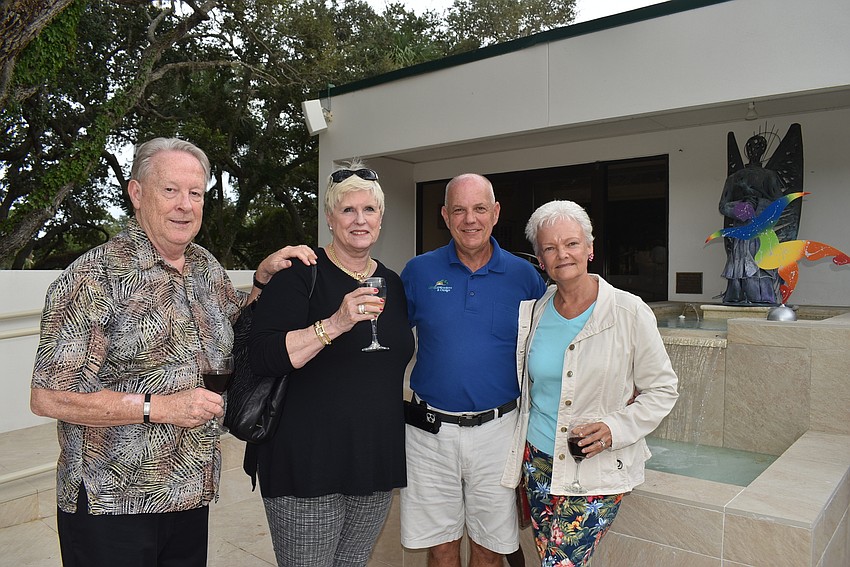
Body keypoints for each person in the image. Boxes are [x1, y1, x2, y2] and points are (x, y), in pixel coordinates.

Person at [29, 137, 316, 567]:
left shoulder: (204, 265)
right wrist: (160, 407)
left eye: (195, 193)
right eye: (170, 190)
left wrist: (260, 281)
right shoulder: (93, 276)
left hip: (187, 492)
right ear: (137, 193)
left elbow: (233, 331)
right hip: (113, 503)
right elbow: (49, 396)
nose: (185, 204)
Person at [248, 162, 415, 566]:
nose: (360, 220)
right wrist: (336, 324)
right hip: (307, 463)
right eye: (348, 210)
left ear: (381, 218)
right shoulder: (301, 275)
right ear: (329, 218)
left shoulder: (392, 281)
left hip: (373, 459)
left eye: (369, 210)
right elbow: (263, 355)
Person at [501, 200, 679, 565]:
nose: (562, 254)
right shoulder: (534, 311)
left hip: (595, 466)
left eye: (571, 243)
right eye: (550, 247)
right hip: (538, 463)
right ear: (540, 258)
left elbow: (662, 389)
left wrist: (615, 427)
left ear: (590, 249)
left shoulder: (629, 311)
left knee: (560, 563)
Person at [400, 173, 547, 566]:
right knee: (441, 546)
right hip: (429, 435)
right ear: (445, 216)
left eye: (480, 208)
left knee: (489, 547)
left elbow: (549, 348)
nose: (470, 219)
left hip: (498, 434)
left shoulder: (524, 276)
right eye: (460, 210)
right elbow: (388, 342)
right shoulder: (418, 272)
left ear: (495, 213)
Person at [717, 133, 786, 304]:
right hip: (741, 230)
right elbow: (723, 205)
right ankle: (737, 295)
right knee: (740, 263)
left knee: (761, 264)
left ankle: (761, 296)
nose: (755, 150)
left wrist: (758, 206)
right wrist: (742, 207)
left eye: (759, 147)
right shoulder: (734, 178)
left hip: (762, 229)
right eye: (752, 147)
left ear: (763, 151)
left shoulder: (769, 176)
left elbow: (780, 204)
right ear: (747, 151)